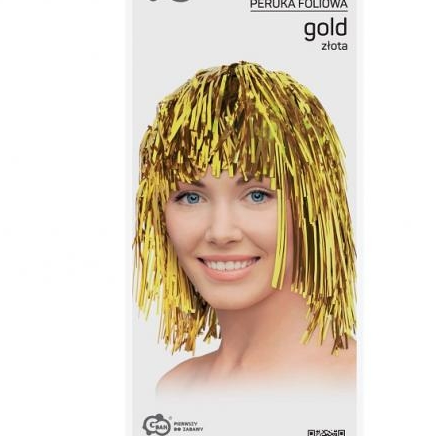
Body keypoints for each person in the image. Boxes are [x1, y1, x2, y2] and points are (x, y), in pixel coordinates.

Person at [134, 61, 356, 391]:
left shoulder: (353, 387)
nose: (221, 233)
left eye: (256, 195)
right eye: (191, 197)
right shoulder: (175, 389)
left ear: (316, 203)